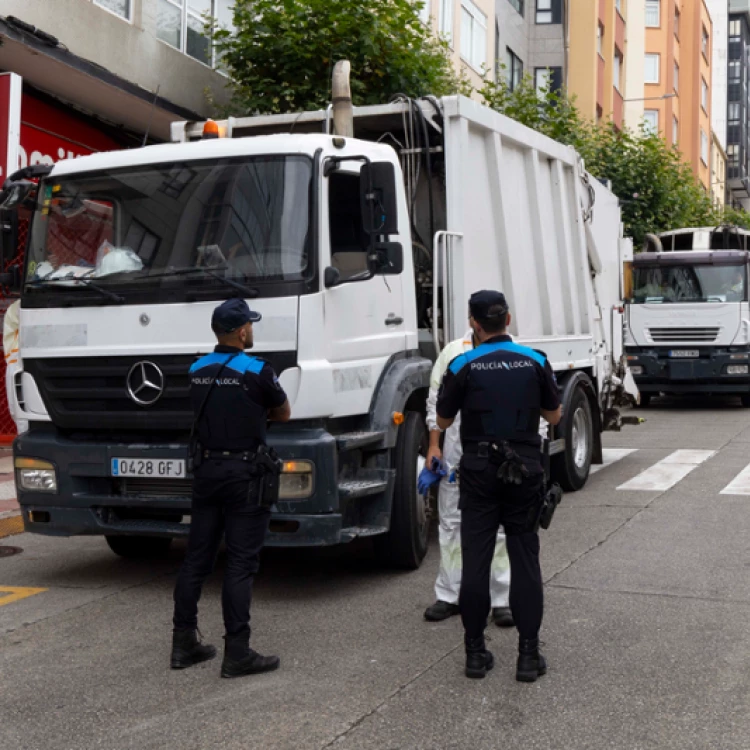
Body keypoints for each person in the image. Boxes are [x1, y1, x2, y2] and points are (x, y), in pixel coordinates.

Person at [436, 290, 562, 681]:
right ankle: (527, 657)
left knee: (476, 560)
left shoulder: (462, 364)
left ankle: (476, 654)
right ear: (508, 318)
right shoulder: (536, 360)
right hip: (524, 468)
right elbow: (554, 413)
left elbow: (441, 422)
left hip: (478, 470)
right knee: (525, 559)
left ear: (473, 323)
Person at [171, 298, 291, 678]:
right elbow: (283, 411)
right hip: (244, 475)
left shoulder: (196, 369)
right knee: (240, 564)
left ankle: (183, 644)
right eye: (250, 325)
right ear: (241, 331)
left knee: (196, 561)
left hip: (206, 471)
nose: (252, 330)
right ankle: (237, 652)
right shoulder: (257, 370)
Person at [424, 330, 514, 628]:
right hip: (455, 455)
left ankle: (501, 598)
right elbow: (435, 403)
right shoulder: (452, 353)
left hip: (496, 455)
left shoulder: (515, 356)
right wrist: (434, 447)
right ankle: (449, 594)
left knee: (499, 526)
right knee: (450, 522)